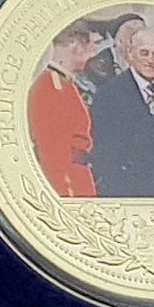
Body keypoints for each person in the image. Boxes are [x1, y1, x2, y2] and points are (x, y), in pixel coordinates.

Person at [87, 21, 154, 196]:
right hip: (131, 187)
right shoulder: (109, 94)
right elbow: (104, 153)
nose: (150, 60)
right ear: (130, 54)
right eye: (144, 53)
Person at [27, 23, 99, 197]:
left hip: (79, 181)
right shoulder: (52, 88)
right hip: (70, 186)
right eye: (89, 47)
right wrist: (64, 198)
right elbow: (53, 155)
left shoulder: (63, 84)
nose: (91, 55)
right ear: (76, 46)